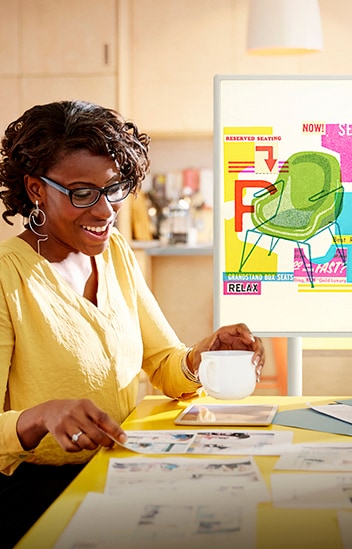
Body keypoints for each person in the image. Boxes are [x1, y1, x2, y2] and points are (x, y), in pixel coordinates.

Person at [0, 100, 265, 547]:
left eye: (114, 188)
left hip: (121, 474)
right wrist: (42, 416)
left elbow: (162, 361)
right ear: (36, 189)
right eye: (82, 192)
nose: (106, 211)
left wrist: (204, 355)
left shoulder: (115, 252)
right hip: (38, 497)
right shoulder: (8, 278)